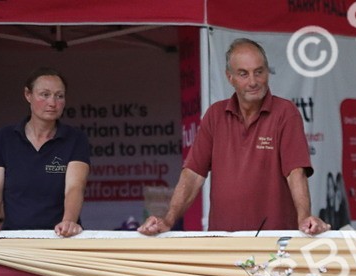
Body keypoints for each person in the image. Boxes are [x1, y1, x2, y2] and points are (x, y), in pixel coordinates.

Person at [138, 39, 329, 236]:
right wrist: (168, 220)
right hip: (222, 241)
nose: (253, 81)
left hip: (274, 240)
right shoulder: (215, 115)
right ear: (230, 77)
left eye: (259, 71)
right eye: (243, 74)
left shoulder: (285, 112)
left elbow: (295, 172)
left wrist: (304, 217)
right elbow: (193, 175)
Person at [0, 68, 90, 237]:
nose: (52, 102)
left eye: (59, 96)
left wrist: (69, 220)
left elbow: (75, 187)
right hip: (13, 237)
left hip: (60, 237)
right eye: (44, 94)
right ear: (28, 95)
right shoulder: (5, 138)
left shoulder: (75, 138)